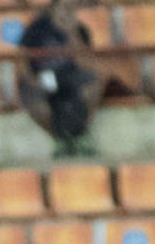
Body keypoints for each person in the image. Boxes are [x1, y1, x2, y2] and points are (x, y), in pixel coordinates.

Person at [17, 0, 104, 158]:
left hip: (70, 75)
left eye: (70, 8)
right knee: (35, 100)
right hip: (43, 76)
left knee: (94, 85)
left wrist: (71, 32)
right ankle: (59, 139)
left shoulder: (80, 29)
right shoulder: (37, 28)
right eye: (62, 8)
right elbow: (22, 58)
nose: (65, 12)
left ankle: (79, 136)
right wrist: (31, 79)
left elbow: (86, 63)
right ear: (52, 9)